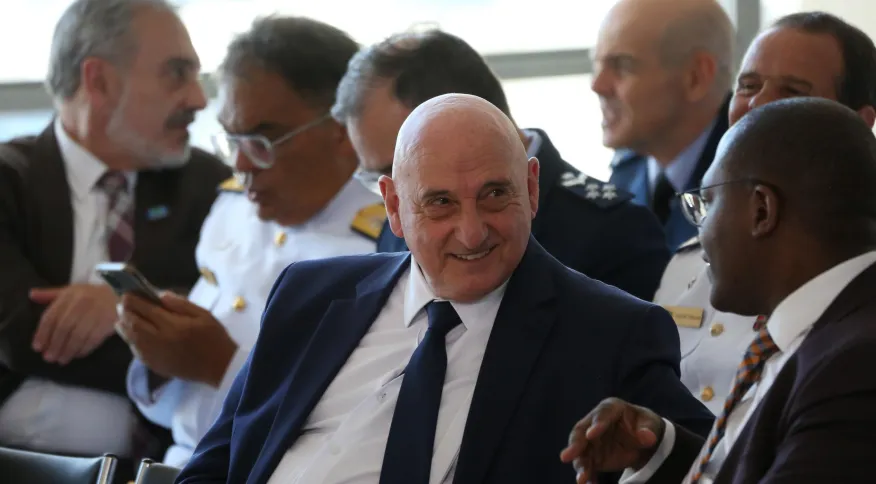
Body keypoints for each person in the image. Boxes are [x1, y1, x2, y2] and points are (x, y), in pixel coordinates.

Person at [175, 93, 713, 484]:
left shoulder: (610, 331)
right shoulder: (308, 296)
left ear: (531, 188)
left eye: (495, 195)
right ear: (394, 207)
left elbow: (716, 461)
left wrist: (653, 447)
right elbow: (213, 466)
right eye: (440, 203)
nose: (472, 232)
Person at [562, 97, 876, 484]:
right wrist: (662, 450)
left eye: (707, 203)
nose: (702, 229)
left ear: (761, 210)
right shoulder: (826, 336)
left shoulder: (854, 365)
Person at [117, 16, 383, 467]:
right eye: (232, 138)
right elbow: (177, 416)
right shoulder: (232, 211)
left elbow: (357, 427)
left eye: (261, 140)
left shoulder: (381, 248)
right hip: (182, 464)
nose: (240, 164)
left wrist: (221, 366)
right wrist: (160, 357)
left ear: (342, 131)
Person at [0, 0, 229, 462]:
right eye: (176, 74)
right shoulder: (9, 181)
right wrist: (161, 332)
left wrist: (124, 307)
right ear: (99, 81)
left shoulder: (212, 186)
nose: (199, 100)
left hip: (166, 467)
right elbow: (18, 336)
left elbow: (234, 320)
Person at [333, 29, 670, 301]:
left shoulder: (614, 233)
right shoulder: (397, 223)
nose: (470, 234)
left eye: (394, 166)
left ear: (456, 113)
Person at [654, 11, 876, 415]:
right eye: (748, 86)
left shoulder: (857, 266)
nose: (756, 104)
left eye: (792, 90)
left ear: (858, 123)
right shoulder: (690, 262)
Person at [595, 0, 735, 250]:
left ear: (695, 77)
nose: (597, 85)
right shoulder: (626, 172)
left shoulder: (745, 183)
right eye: (597, 64)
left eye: (622, 65)